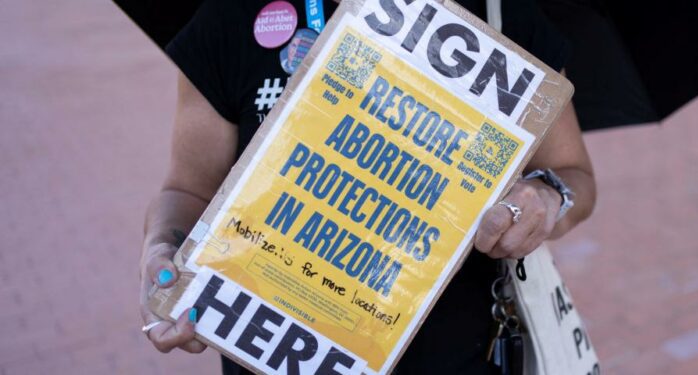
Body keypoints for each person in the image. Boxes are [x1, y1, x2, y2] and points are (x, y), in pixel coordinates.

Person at [138, 0, 596, 373]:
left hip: (457, 354)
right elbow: (187, 190)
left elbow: (574, 174)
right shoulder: (234, 17)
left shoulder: (500, 15)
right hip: (272, 349)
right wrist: (162, 249)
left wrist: (546, 198)